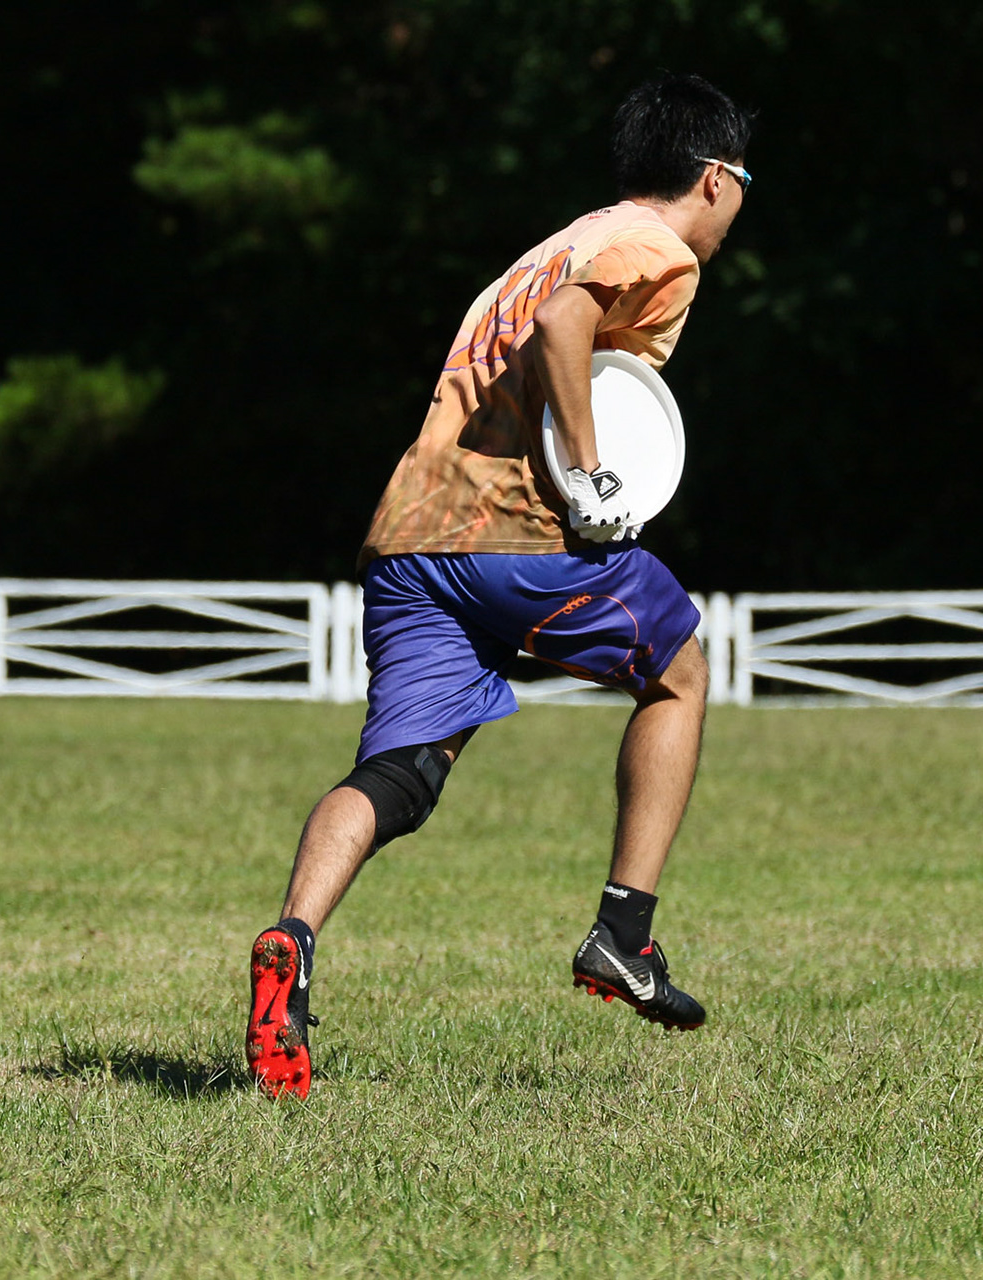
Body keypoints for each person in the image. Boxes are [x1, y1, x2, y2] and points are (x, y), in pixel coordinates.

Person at [245, 73, 753, 1099]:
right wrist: (592, 473)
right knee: (682, 674)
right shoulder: (657, 247)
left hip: (410, 536)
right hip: (514, 532)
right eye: (745, 183)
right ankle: (624, 934)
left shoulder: (550, 245)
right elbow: (565, 327)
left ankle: (290, 937)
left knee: (400, 773)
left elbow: (536, 322)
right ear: (713, 177)